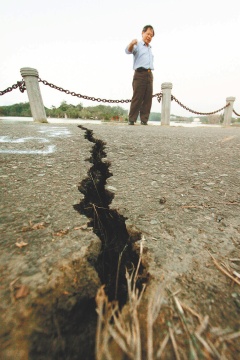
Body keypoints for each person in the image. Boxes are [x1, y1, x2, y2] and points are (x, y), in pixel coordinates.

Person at [125, 25, 154, 125]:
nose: (149, 36)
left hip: (149, 74)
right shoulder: (138, 45)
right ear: (143, 33)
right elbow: (128, 51)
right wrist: (132, 43)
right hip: (140, 73)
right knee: (137, 97)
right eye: (148, 34)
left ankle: (144, 120)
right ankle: (132, 119)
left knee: (148, 98)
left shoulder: (150, 48)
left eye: (151, 35)